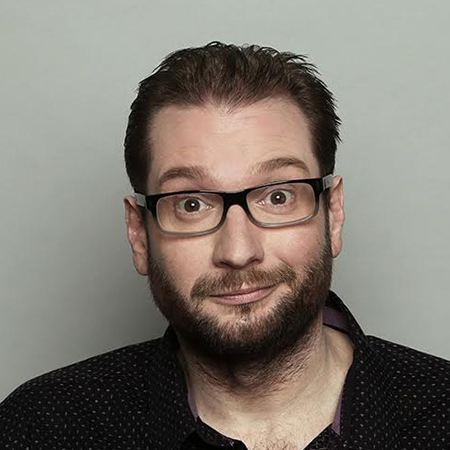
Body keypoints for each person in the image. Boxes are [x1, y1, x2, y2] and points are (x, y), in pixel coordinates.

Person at [1, 42, 449, 450]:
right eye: (191, 204)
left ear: (332, 214)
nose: (237, 251)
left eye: (278, 197)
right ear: (138, 233)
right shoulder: (41, 429)